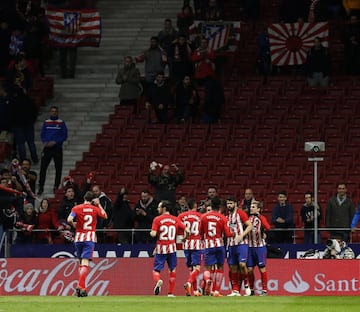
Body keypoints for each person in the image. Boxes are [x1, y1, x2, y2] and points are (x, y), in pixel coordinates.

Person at [67, 191, 107, 297]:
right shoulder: (95, 209)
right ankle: (81, 286)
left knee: (81, 263)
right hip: (89, 238)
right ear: (92, 199)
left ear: (84, 198)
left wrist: (74, 224)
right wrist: (98, 204)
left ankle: (81, 288)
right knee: (85, 263)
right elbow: (105, 215)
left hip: (78, 238)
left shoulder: (76, 208)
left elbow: (69, 219)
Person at [200, 197, 239, 297]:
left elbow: (200, 232)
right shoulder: (223, 218)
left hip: (209, 245)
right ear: (220, 207)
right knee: (220, 267)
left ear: (211, 205)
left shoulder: (204, 217)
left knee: (207, 268)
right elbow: (227, 233)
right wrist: (234, 234)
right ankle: (216, 291)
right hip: (219, 245)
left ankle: (208, 280)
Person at [150, 200, 189, 297]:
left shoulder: (157, 219)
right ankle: (170, 293)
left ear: (164, 208)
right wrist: (184, 238)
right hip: (172, 248)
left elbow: (153, 234)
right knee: (172, 270)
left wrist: (152, 233)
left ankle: (159, 280)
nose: (157, 209)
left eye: (159, 207)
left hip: (161, 248)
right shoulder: (175, 219)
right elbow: (187, 230)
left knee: (156, 270)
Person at [226, 196, 253, 297]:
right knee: (232, 267)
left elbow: (250, 225)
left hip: (241, 243)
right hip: (231, 244)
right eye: (228, 204)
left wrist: (241, 235)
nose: (229, 205)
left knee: (242, 264)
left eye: (231, 203)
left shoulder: (240, 213)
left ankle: (246, 285)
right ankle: (235, 290)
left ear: (235, 204)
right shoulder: (227, 216)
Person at [38, 105, 68, 195]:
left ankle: (56, 186)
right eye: (52, 111)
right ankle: (41, 187)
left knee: (58, 168)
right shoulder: (46, 122)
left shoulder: (61, 123)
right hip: (47, 148)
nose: (54, 112)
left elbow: (64, 135)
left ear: (57, 112)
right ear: (50, 112)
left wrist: (56, 142)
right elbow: (42, 134)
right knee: (43, 168)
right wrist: (45, 142)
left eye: (55, 111)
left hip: (57, 148)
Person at [178, 198, 203, 296]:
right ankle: (189, 283)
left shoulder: (181, 216)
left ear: (187, 206)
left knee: (191, 269)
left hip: (186, 244)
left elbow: (179, 229)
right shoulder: (200, 216)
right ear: (195, 206)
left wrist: (184, 238)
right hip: (196, 244)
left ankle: (195, 291)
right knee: (197, 268)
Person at [247, 201, 271, 296]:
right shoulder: (248, 218)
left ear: (258, 209)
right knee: (249, 269)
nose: (251, 208)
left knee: (262, 268)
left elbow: (268, 227)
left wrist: (259, 216)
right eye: (251, 207)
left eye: (253, 207)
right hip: (250, 247)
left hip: (260, 247)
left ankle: (264, 290)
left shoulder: (261, 218)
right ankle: (252, 289)